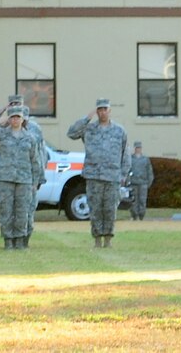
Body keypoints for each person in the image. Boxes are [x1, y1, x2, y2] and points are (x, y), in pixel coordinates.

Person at [0, 106, 46, 250]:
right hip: (6, 179)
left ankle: (20, 240)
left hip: (25, 180)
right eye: (12, 117)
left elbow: (35, 161)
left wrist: (35, 181)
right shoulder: (0, 134)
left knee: (22, 211)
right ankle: (8, 240)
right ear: (9, 119)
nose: (15, 120)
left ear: (23, 119)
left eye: (18, 117)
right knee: (6, 211)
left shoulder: (30, 137)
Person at [69, 98, 130, 249]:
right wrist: (87, 118)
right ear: (97, 111)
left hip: (112, 176)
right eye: (100, 110)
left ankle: (108, 239)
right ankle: (97, 238)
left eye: (105, 109)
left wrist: (123, 174)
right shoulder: (89, 129)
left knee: (109, 209)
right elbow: (71, 133)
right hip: (93, 176)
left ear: (110, 110)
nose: (102, 112)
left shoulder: (119, 130)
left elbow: (125, 154)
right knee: (95, 209)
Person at [125, 142, 154, 221]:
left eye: (139, 148)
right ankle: (134, 215)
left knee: (142, 200)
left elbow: (149, 171)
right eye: (137, 148)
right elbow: (127, 171)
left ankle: (141, 215)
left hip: (143, 183)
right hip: (133, 183)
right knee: (134, 201)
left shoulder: (145, 159)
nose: (138, 149)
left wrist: (149, 182)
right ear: (135, 148)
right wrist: (127, 181)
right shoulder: (130, 159)